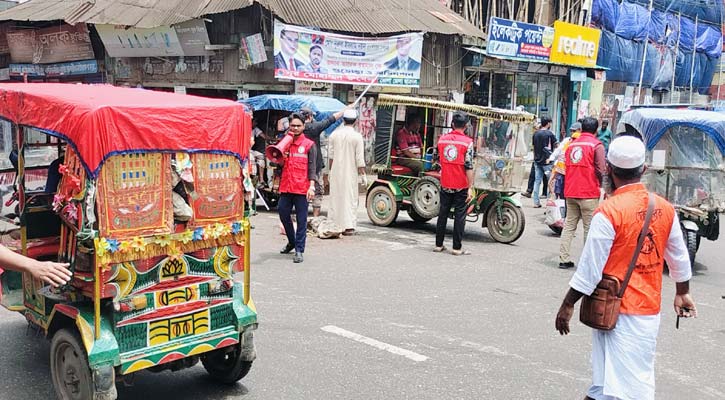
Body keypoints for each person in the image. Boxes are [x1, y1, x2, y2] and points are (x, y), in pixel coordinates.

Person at [555, 135, 696, 400]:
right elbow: (678, 256)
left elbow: (590, 268)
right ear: (643, 170)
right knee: (607, 385)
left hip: (614, 310)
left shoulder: (608, 212)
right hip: (647, 311)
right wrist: (682, 291)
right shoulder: (665, 208)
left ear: (608, 169)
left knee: (630, 391)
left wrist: (568, 304)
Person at [559, 117, 606, 269]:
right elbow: (600, 169)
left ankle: (563, 259)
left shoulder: (571, 145)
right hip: (588, 192)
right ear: (596, 129)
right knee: (589, 228)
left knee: (569, 226)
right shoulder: (596, 145)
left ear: (581, 129)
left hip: (571, 191)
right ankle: (586, 263)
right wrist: (603, 185)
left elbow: (566, 166)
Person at [278, 113, 318, 263]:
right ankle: (292, 241)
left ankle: (299, 250)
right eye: (293, 125)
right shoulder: (284, 143)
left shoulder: (309, 145)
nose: (295, 128)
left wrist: (312, 187)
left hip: (302, 188)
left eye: (298, 126)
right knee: (283, 214)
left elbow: (312, 168)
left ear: (303, 126)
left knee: (302, 220)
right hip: (286, 186)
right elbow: (278, 163)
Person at [434, 112, 474, 256]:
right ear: (465, 126)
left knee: (442, 213)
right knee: (460, 215)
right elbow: (469, 166)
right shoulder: (467, 142)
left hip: (445, 182)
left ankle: (438, 245)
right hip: (461, 184)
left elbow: (440, 160)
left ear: (452, 124)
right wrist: (470, 186)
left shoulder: (442, 140)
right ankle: (457, 248)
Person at [301, 104, 351, 217]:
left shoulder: (295, 129)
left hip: (300, 166)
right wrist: (345, 110)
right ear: (309, 116)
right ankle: (315, 218)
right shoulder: (314, 128)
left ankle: (302, 217)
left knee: (302, 191)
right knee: (317, 190)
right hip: (316, 165)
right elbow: (331, 119)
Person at [328, 109, 366, 235]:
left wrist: (329, 172)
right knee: (350, 197)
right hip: (351, 173)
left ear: (343, 120)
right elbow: (359, 160)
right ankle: (348, 227)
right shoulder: (357, 137)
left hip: (335, 171)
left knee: (335, 197)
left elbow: (331, 157)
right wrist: (363, 174)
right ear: (355, 121)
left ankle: (334, 224)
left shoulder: (334, 135)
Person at [546, 122, 582, 199]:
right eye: (571, 131)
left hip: (571, 174)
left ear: (580, 130)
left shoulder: (580, 143)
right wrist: (551, 158)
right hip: (562, 173)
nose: (572, 133)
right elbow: (559, 152)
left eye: (574, 131)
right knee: (560, 195)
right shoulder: (567, 141)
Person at [531, 117, 558, 208]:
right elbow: (556, 145)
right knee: (550, 182)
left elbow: (534, 147)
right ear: (548, 123)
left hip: (537, 161)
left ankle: (536, 202)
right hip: (547, 161)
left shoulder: (536, 134)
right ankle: (549, 202)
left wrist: (535, 158)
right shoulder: (550, 134)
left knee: (537, 181)